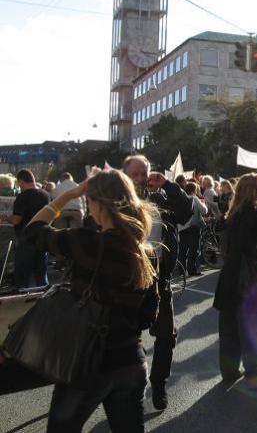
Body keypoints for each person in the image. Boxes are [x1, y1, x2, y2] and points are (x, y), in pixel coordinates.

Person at [23, 170, 159, 432]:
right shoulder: (146, 253)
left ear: (97, 204)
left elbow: (33, 231)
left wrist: (69, 195)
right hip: (131, 359)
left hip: (87, 362)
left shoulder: (86, 243)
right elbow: (148, 315)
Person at [123, 155, 193, 410]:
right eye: (136, 174)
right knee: (126, 336)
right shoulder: (117, 201)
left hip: (159, 278)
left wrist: (169, 185)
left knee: (165, 334)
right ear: (125, 176)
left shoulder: (162, 197)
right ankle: (128, 389)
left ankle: (159, 385)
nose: (142, 179)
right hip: (128, 281)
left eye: (145, 174)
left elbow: (187, 212)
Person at [214, 173, 257, 389]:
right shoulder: (256, 212)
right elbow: (254, 246)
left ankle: (229, 371)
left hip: (230, 273)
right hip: (249, 275)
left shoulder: (233, 212)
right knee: (252, 327)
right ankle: (254, 374)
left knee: (229, 327)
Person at [8, 169, 50, 288]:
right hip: (43, 238)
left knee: (23, 276)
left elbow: (16, 220)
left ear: (21, 181)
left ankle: (24, 302)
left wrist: (6, 218)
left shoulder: (22, 196)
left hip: (26, 239)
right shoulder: (46, 195)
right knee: (41, 275)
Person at [178, 182, 208, 276]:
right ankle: (192, 270)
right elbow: (204, 211)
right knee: (193, 249)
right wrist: (203, 203)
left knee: (182, 249)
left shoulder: (181, 198)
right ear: (194, 190)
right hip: (193, 227)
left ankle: (181, 271)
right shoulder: (194, 198)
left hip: (182, 227)